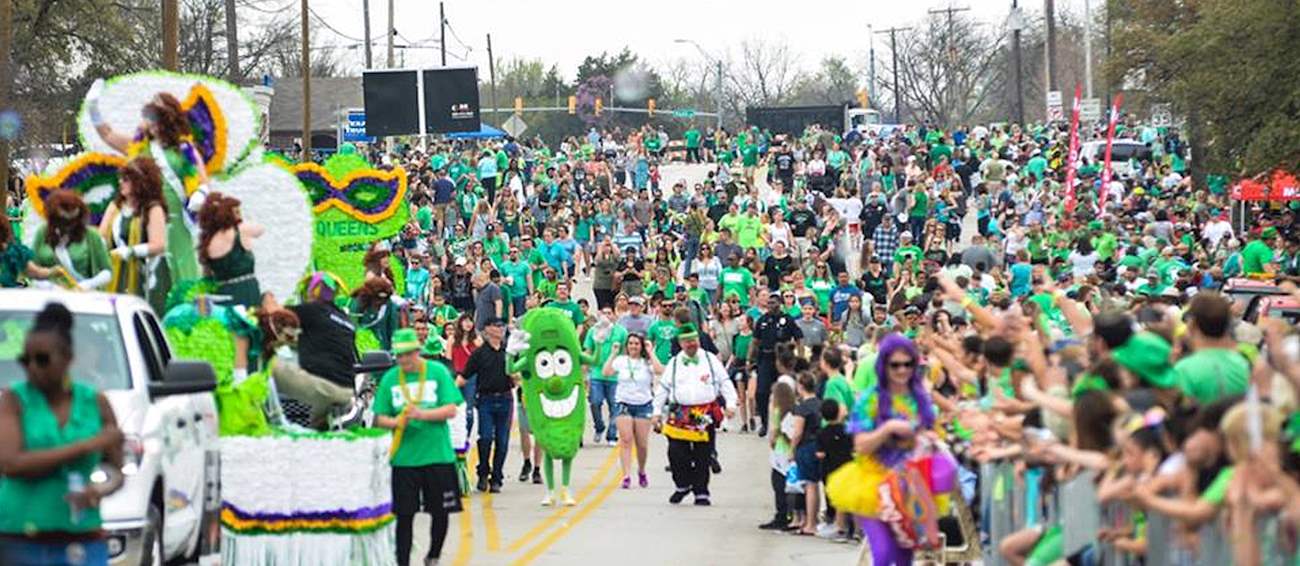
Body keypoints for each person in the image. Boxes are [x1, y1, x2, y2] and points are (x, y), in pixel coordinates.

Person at [0, 302, 125, 566]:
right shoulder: (14, 400)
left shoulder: (95, 402)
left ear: (68, 358)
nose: (32, 367)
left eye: (43, 359)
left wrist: (98, 489)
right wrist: (86, 445)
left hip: (82, 537)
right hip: (20, 539)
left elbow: (114, 470)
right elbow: (11, 464)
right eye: (25, 360)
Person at [371, 329, 462, 566]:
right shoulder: (391, 378)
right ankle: (402, 561)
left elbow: (451, 409)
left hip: (437, 456)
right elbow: (379, 417)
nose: (403, 361)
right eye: (399, 356)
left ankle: (433, 555)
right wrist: (396, 422)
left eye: (407, 355)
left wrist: (422, 414)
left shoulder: (437, 372)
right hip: (404, 459)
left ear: (417, 351)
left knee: (440, 512)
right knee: (404, 515)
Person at [652, 323, 737, 506]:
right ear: (681, 343)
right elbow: (663, 389)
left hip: (703, 413)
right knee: (676, 453)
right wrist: (656, 412)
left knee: (702, 455)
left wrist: (730, 404)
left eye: (694, 340)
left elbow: (725, 381)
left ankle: (701, 492)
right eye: (687, 341)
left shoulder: (710, 360)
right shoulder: (674, 363)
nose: (691, 344)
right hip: (680, 412)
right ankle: (682, 485)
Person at [98, 158, 169, 312]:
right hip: (117, 270)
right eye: (120, 179)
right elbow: (101, 236)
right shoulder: (115, 206)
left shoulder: (153, 208)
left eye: (126, 179)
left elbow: (158, 244)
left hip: (146, 274)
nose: (120, 183)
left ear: (140, 182)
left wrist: (131, 251)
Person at [603, 334, 664, 489]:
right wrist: (613, 353)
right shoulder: (621, 361)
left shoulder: (646, 362)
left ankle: (641, 471)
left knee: (642, 444)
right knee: (626, 440)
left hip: (643, 405)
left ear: (641, 346)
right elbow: (606, 372)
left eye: (637, 344)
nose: (633, 346)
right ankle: (626, 475)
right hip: (623, 403)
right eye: (630, 343)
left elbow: (659, 370)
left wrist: (651, 352)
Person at [461, 317, 512, 493]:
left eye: (502, 325)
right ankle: (483, 472)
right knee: (485, 438)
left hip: (506, 398)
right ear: (487, 329)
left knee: (503, 441)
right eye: (496, 326)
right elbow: (464, 376)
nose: (500, 329)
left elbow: (520, 373)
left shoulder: (509, 352)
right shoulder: (480, 353)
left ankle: (497, 477)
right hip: (486, 399)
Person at [29, 191, 108, 290]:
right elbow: (31, 267)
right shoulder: (42, 232)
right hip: (47, 295)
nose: (67, 225)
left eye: (72, 220)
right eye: (62, 220)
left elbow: (107, 271)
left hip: (82, 295)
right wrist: (46, 285)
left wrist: (88, 284)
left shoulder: (91, 235)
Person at [197, 192, 264, 307]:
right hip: (246, 290)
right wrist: (239, 221)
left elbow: (206, 275)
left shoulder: (207, 242)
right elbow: (260, 229)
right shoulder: (240, 230)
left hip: (222, 293)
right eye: (237, 212)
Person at [752, 291, 803, 437]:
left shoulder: (787, 319)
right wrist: (751, 358)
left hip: (783, 360)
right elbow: (755, 341)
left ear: (779, 304)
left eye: (773, 303)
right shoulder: (762, 320)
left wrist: (799, 357)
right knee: (761, 392)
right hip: (766, 359)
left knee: (786, 392)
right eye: (768, 303)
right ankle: (764, 422)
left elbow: (799, 338)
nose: (770, 305)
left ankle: (786, 422)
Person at [584, 306, 627, 446]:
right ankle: (599, 426)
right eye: (604, 313)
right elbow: (588, 350)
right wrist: (584, 371)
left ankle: (612, 435)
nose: (607, 316)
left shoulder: (621, 332)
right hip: (596, 373)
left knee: (615, 406)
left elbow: (626, 351)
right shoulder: (593, 331)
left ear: (614, 316)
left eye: (609, 313)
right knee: (595, 402)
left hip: (615, 375)